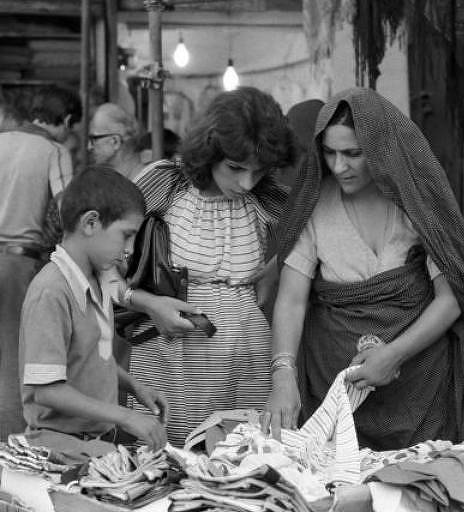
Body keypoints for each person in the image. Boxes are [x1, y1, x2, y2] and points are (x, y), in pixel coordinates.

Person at [266, 87, 464, 450]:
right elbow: (291, 300)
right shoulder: (314, 206)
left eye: (353, 154)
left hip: (422, 383)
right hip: (334, 387)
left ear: (381, 148)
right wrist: (283, 374)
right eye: (330, 153)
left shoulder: (414, 200)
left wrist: (393, 355)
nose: (339, 167)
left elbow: (451, 297)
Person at [123, 86, 294, 446]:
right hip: (171, 350)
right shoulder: (164, 181)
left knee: (238, 460)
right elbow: (102, 262)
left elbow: (310, 234)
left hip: (246, 352)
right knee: (164, 462)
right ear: (210, 151)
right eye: (235, 168)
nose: (247, 183)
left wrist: (277, 266)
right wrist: (150, 304)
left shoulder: (268, 195)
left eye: (258, 171)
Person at [18, 167, 166, 452]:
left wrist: (135, 387)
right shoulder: (51, 291)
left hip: (94, 443)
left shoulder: (97, 282)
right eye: (126, 235)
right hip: (57, 446)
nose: (130, 250)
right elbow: (47, 390)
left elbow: (93, 359)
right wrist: (125, 415)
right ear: (91, 223)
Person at [0, 86, 80, 438]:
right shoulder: (54, 150)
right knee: (13, 361)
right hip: (16, 265)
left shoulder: (1, 141)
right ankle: (11, 449)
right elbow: (68, 209)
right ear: (63, 121)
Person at [88, 102, 144, 180]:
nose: (89, 147)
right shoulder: (125, 179)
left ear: (115, 141)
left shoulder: (142, 183)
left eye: (94, 139)